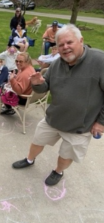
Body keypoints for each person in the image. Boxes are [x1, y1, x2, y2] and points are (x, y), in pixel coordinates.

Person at [12, 24, 104, 186]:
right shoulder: (56, 64)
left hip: (80, 126)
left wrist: (101, 122)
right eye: (60, 45)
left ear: (81, 40)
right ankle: (30, 159)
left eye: (69, 42)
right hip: (53, 118)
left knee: (66, 154)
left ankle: (58, 171)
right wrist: (36, 84)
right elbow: (43, 87)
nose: (65, 47)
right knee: (37, 141)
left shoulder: (99, 61)